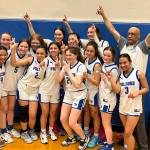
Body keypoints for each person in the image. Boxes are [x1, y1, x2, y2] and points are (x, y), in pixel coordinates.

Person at [97, 5, 150, 150]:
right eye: (129, 33)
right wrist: (103, 15)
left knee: (139, 121)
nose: (130, 35)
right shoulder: (123, 44)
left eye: (133, 34)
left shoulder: (143, 47)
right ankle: (128, 141)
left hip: (137, 87)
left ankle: (144, 146)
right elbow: (112, 29)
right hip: (123, 86)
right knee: (125, 118)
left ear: (139, 36)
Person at [109, 54, 149, 150]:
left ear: (130, 62)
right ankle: (127, 147)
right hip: (123, 107)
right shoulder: (120, 76)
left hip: (134, 107)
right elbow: (117, 90)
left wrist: (138, 92)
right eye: (120, 63)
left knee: (127, 133)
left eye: (125, 62)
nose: (122, 65)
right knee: (128, 133)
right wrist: (110, 79)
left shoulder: (139, 73)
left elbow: (146, 88)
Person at [11, 44, 47, 144]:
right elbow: (14, 63)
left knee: (32, 114)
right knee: (24, 113)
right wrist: (13, 49)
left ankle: (31, 130)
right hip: (23, 87)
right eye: (38, 53)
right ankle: (23, 132)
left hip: (35, 90)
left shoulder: (48, 62)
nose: (39, 55)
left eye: (42, 53)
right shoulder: (31, 59)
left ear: (46, 54)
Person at [55, 47, 89, 150]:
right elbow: (58, 80)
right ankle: (72, 137)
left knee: (72, 122)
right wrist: (58, 68)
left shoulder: (81, 67)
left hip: (79, 94)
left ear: (76, 55)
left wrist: (68, 71)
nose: (68, 57)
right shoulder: (66, 65)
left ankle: (84, 138)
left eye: (70, 55)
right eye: (67, 55)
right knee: (63, 119)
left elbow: (78, 84)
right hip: (69, 94)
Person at [1, 37, 30, 143]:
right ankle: (3, 130)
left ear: (28, 48)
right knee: (3, 110)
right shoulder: (7, 52)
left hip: (14, 86)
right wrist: (12, 50)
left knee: (11, 108)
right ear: (18, 46)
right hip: (3, 85)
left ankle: (9, 128)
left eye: (26, 46)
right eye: (21, 46)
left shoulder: (28, 57)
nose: (23, 48)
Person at [38, 42, 60, 144]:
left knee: (53, 113)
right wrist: (41, 67)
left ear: (58, 50)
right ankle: (43, 132)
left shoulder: (61, 60)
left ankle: (51, 130)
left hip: (55, 91)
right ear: (48, 50)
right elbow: (41, 75)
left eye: (55, 48)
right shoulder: (46, 60)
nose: (53, 50)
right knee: (45, 113)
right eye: (51, 48)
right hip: (44, 91)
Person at [98, 47, 119, 150]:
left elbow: (112, 88)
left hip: (108, 99)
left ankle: (110, 146)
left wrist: (106, 80)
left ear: (113, 57)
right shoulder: (105, 65)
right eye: (104, 55)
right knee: (106, 123)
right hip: (103, 98)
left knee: (106, 123)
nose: (105, 57)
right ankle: (108, 140)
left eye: (108, 56)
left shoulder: (114, 69)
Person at [84, 41, 101, 148]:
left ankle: (96, 136)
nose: (89, 53)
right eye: (87, 50)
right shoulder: (85, 60)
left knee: (94, 114)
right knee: (86, 112)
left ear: (95, 52)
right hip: (85, 90)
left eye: (91, 51)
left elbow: (97, 82)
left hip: (94, 92)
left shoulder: (97, 64)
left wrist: (87, 76)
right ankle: (86, 132)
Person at [0, 46, 8, 148]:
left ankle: (3, 131)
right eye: (0, 55)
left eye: (4, 55)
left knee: (3, 111)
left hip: (2, 91)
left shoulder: (3, 64)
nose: (3, 56)